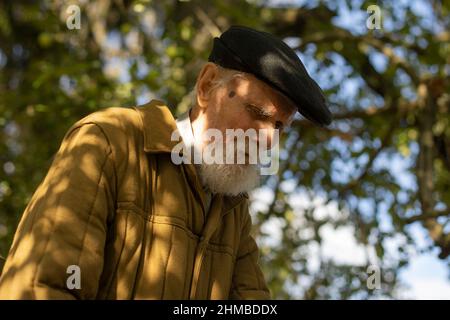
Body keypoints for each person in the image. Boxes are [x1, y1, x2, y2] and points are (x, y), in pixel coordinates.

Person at [0, 25, 332, 299]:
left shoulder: (233, 209)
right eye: (258, 114)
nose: (270, 141)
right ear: (206, 86)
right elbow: (39, 288)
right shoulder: (109, 141)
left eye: (279, 128)